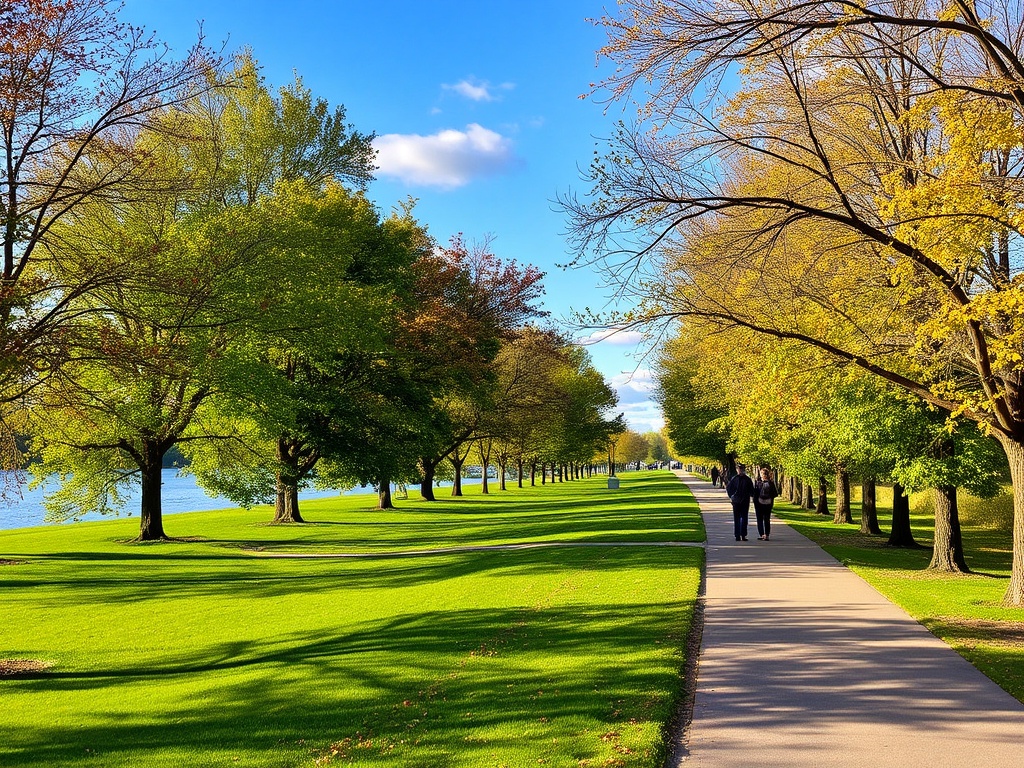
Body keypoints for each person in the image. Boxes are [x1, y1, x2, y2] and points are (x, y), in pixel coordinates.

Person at [725, 464, 755, 541]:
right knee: (737, 518)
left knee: (744, 518)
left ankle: (743, 534)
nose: (741, 470)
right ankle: (737, 535)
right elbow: (729, 489)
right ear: (737, 470)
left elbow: (751, 490)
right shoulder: (734, 479)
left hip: (745, 501)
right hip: (736, 501)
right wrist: (731, 497)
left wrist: (753, 495)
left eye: (742, 469)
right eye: (739, 469)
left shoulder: (747, 479)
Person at [752, 467, 780, 540]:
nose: (762, 475)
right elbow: (775, 494)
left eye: (763, 474)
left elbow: (774, 494)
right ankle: (764, 535)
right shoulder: (764, 483)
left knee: (763, 519)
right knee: (764, 519)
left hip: (764, 504)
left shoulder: (761, 483)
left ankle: (764, 534)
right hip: (763, 504)